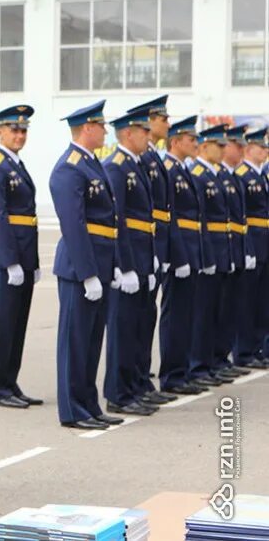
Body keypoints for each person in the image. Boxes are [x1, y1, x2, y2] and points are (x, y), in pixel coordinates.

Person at [48, 100, 122, 430]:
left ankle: (89, 405)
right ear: (87, 128)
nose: (106, 131)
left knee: (92, 342)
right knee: (75, 342)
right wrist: (88, 273)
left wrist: (114, 264)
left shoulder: (93, 164)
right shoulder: (69, 168)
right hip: (80, 270)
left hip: (101, 265)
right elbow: (74, 225)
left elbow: (109, 222)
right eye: (102, 125)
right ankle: (73, 410)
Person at [0, 105, 42, 409]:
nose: (19, 135)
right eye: (13, 129)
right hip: (6, 260)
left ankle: (10, 383)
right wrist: (10, 261)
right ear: (0, 131)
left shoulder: (16, 165)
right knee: (3, 327)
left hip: (24, 258)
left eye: (23, 130)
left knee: (17, 326)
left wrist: (34, 262)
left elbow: (28, 218)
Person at [102, 108, 159, 416]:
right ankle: (118, 393)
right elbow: (118, 221)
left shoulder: (134, 165)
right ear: (127, 133)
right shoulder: (117, 167)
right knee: (123, 328)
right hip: (129, 260)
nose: (149, 136)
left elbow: (145, 222)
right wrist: (124, 266)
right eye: (144, 131)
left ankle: (135, 386)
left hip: (142, 257)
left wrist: (149, 262)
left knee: (137, 327)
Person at [124, 97, 176, 406]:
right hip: (140, 248)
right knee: (133, 323)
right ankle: (130, 386)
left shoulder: (152, 157)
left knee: (145, 319)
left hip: (152, 247)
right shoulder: (135, 161)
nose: (166, 125)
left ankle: (141, 382)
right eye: (162, 120)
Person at [158, 117, 206, 395]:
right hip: (179, 253)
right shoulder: (169, 169)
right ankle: (172, 374)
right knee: (175, 314)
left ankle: (182, 370)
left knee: (186, 314)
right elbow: (171, 217)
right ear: (175, 141)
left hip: (191, 249)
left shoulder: (180, 169)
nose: (195, 143)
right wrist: (178, 257)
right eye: (190, 139)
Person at [187, 126, 236, 389]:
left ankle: (213, 361)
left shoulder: (213, 175)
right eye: (219, 145)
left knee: (217, 310)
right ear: (205, 147)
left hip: (221, 248)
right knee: (203, 312)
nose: (224, 149)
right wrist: (204, 254)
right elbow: (201, 220)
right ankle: (198, 364)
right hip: (208, 249)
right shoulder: (197, 174)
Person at [215, 125, 254, 378]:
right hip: (213, 251)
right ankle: (202, 363)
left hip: (233, 247)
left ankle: (220, 359)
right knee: (209, 312)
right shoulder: (210, 175)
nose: (239, 149)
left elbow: (241, 219)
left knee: (231, 307)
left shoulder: (230, 177)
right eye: (233, 145)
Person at [234, 127, 269, 368]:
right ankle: (243, 351)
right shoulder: (243, 175)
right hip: (252, 241)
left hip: (264, 241)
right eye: (261, 147)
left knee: (261, 300)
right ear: (248, 149)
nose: (265, 151)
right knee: (246, 301)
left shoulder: (261, 175)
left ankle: (258, 348)